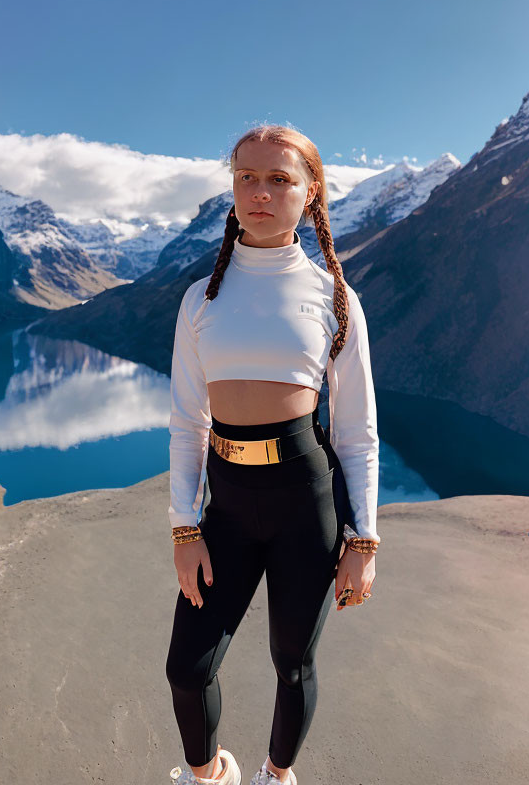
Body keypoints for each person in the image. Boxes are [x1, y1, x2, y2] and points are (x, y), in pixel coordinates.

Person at [165, 125, 381, 785]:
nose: (260, 192)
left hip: (304, 508)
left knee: (294, 664)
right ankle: (212, 778)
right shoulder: (200, 299)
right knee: (187, 669)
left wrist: (364, 541)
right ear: (232, 189)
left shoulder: (335, 299)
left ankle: (274, 778)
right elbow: (186, 423)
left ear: (311, 193)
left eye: (280, 179)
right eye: (246, 177)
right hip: (227, 510)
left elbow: (356, 432)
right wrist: (183, 527)